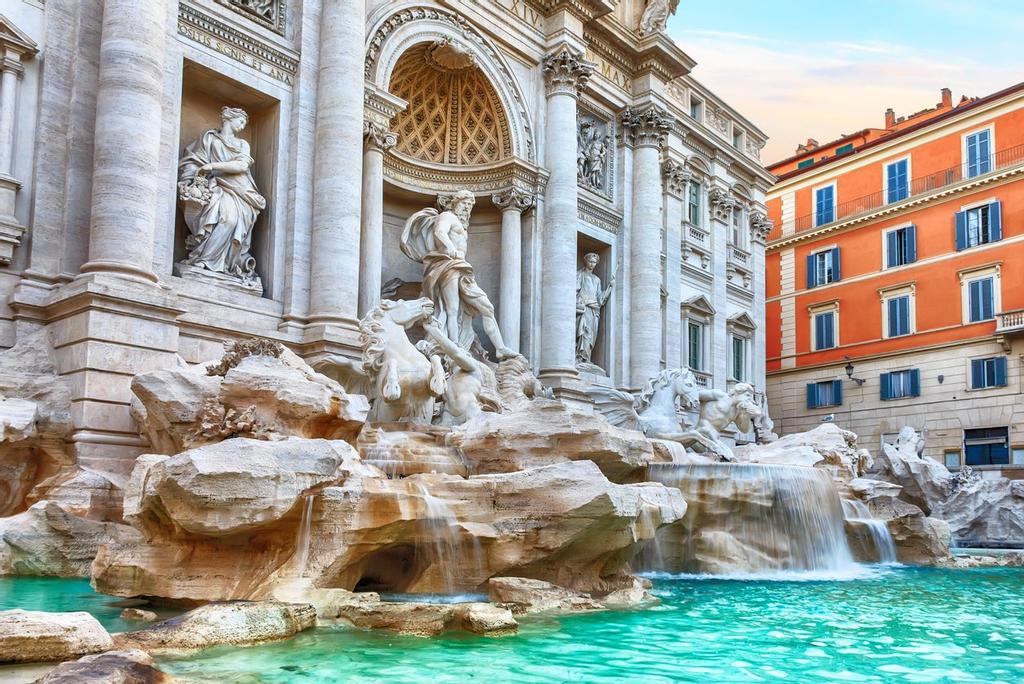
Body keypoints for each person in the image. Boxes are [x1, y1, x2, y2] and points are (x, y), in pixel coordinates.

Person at [400, 190, 515, 359]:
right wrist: (449, 247)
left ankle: (500, 348)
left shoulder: (462, 224)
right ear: (456, 203)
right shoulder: (447, 216)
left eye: (469, 205)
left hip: (462, 268)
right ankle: (455, 346)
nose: (467, 208)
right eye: (464, 204)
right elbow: (439, 232)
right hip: (449, 265)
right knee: (452, 309)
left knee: (487, 307)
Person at [177, 107, 265, 284]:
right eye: (240, 121)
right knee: (219, 217)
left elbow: (241, 166)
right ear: (228, 119)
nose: (242, 126)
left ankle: (222, 264)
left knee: (231, 220)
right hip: (215, 185)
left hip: (240, 189)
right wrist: (192, 178)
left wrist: (212, 167)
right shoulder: (208, 138)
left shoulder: (242, 144)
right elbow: (194, 160)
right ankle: (204, 260)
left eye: (244, 123)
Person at [575, 252, 614, 364]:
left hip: (594, 311)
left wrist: (609, 287)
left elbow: (599, 298)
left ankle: (587, 358)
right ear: (585, 261)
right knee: (584, 333)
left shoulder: (597, 279)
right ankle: (580, 357)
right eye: (590, 261)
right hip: (584, 308)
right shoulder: (580, 275)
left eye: (594, 262)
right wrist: (582, 302)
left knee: (591, 335)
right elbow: (574, 291)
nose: (592, 264)